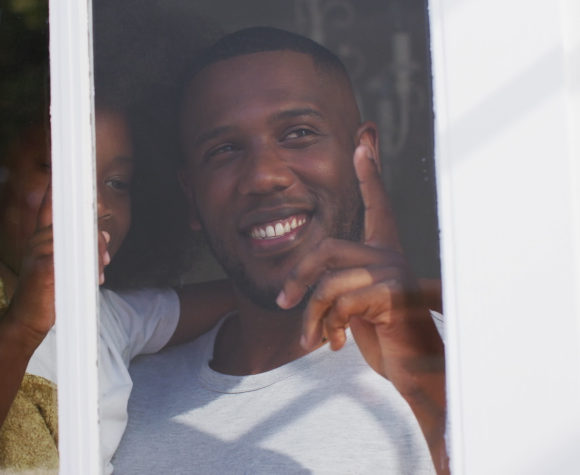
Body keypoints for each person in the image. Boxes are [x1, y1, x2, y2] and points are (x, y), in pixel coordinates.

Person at [112, 27, 448, 475]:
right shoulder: (119, 401)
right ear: (191, 196)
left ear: (365, 153)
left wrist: (428, 390)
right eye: (224, 149)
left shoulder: (474, 363)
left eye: (298, 133)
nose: (263, 176)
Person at [0, 0, 234, 472]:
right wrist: (23, 327)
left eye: (117, 183)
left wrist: (309, 275)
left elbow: (240, 297)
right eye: (61, 171)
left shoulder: (106, 320)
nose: (96, 204)